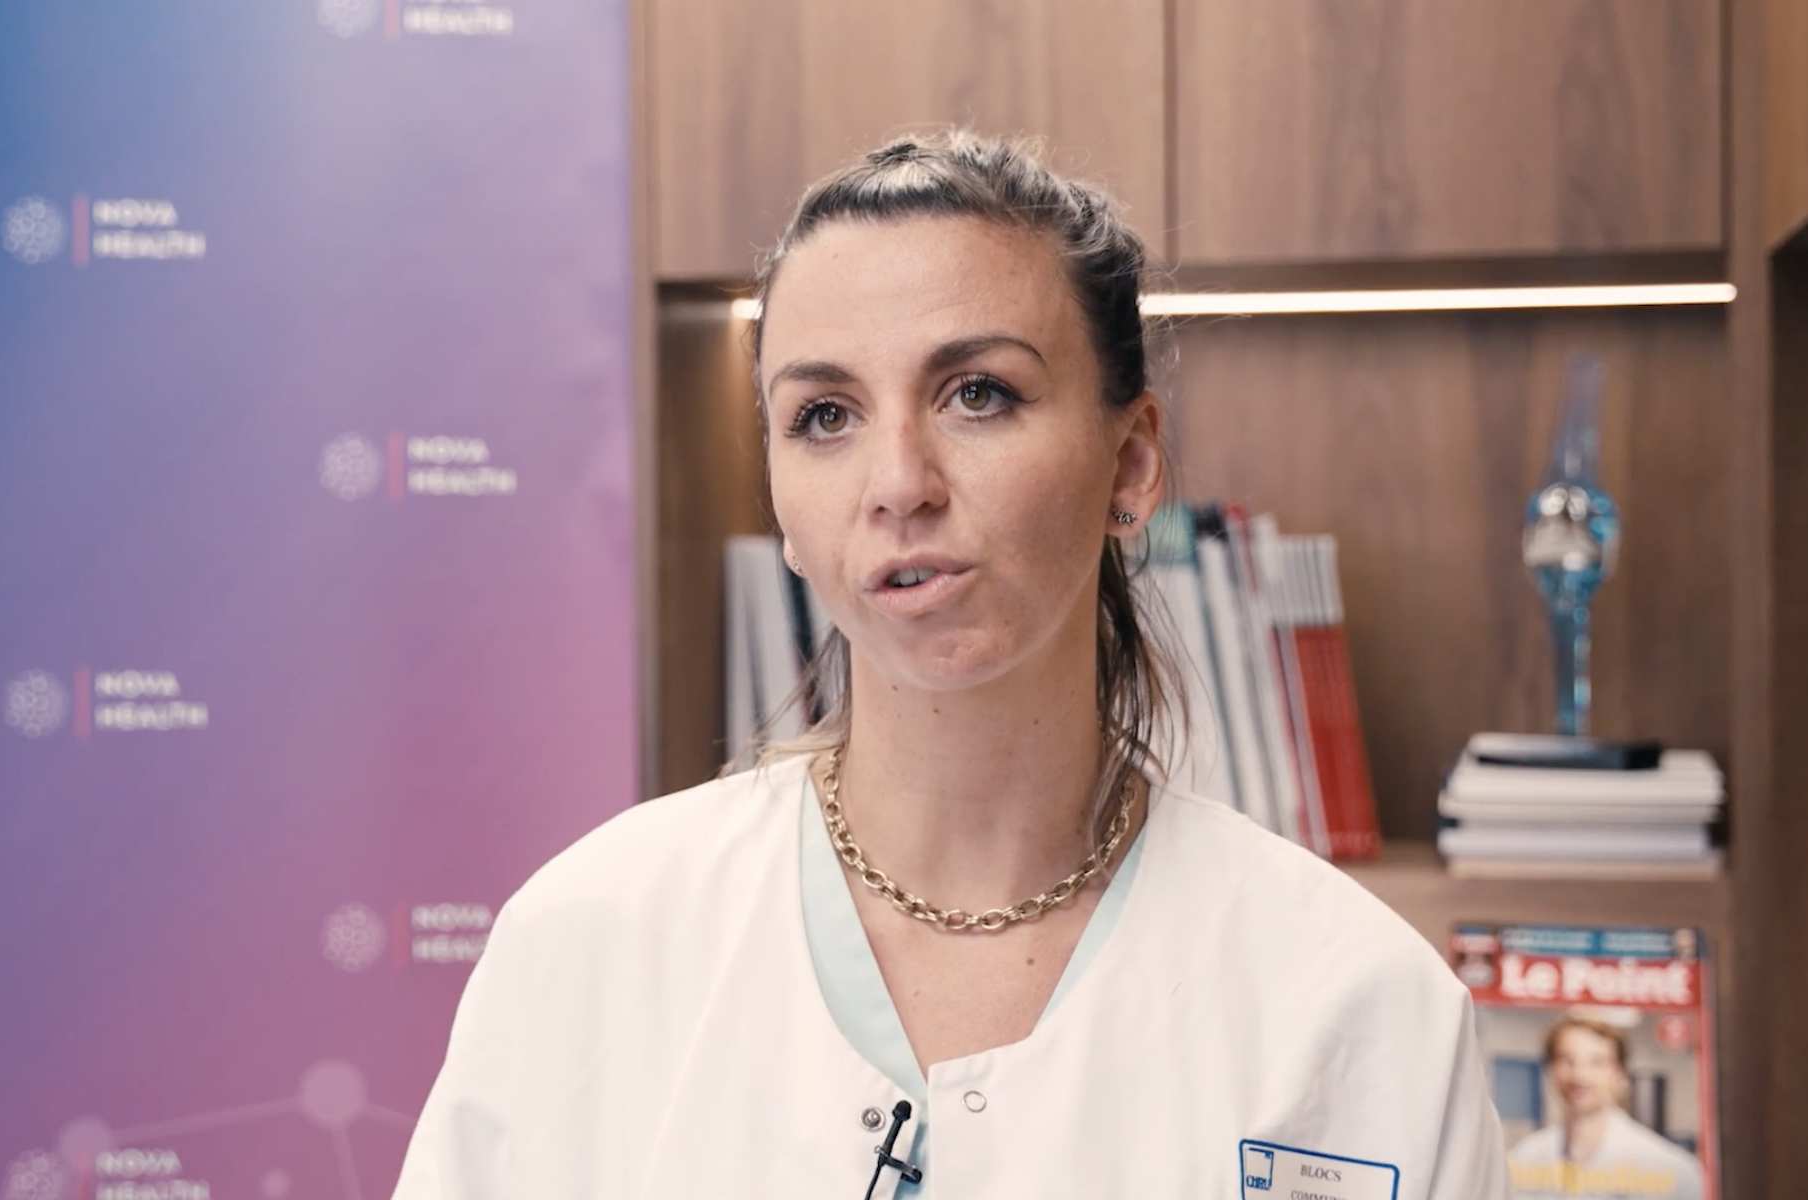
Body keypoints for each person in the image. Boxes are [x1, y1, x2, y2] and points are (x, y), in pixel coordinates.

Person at [391, 130, 1510, 1199]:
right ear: (779, 500)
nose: (898, 483)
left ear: (1130, 464)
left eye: (978, 394)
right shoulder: (588, 945)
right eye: (824, 415)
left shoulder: (1356, 1005)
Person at [1507, 1017, 1705, 1200]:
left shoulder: (1674, 1171)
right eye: (1567, 1060)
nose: (1580, 1075)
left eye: (1597, 1063)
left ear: (1621, 1075)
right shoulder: (1523, 1159)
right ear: (1550, 1071)